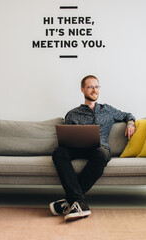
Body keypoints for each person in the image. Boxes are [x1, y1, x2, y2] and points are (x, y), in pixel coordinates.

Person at [49, 75, 136, 221]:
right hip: (77, 148)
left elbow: (127, 115)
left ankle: (71, 201)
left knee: (101, 155)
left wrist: (131, 123)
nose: (94, 90)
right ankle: (77, 202)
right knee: (58, 153)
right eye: (90, 87)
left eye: (96, 86)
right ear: (82, 89)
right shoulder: (72, 114)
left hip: (99, 149)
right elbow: (66, 137)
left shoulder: (108, 109)